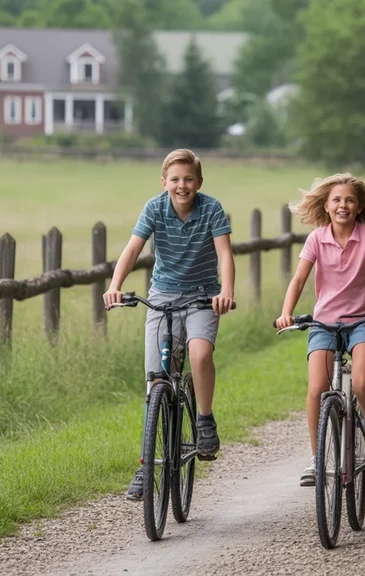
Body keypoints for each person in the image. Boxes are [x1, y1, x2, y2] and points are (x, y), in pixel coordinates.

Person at [103, 149, 236, 501]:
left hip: (203, 295)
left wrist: (226, 291)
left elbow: (224, 253)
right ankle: (147, 465)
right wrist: (115, 286)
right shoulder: (154, 208)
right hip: (162, 295)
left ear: (199, 182)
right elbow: (133, 249)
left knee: (199, 353)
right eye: (175, 180)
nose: (182, 185)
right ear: (164, 183)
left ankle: (205, 419)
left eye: (188, 179)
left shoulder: (211, 209)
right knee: (156, 382)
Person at [274, 173, 365, 487]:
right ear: (326, 206)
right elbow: (299, 279)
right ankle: (318, 460)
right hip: (324, 323)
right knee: (317, 388)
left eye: (349, 200)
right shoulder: (316, 238)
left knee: (361, 382)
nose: (343, 205)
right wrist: (286, 312)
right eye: (336, 200)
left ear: (359, 207)